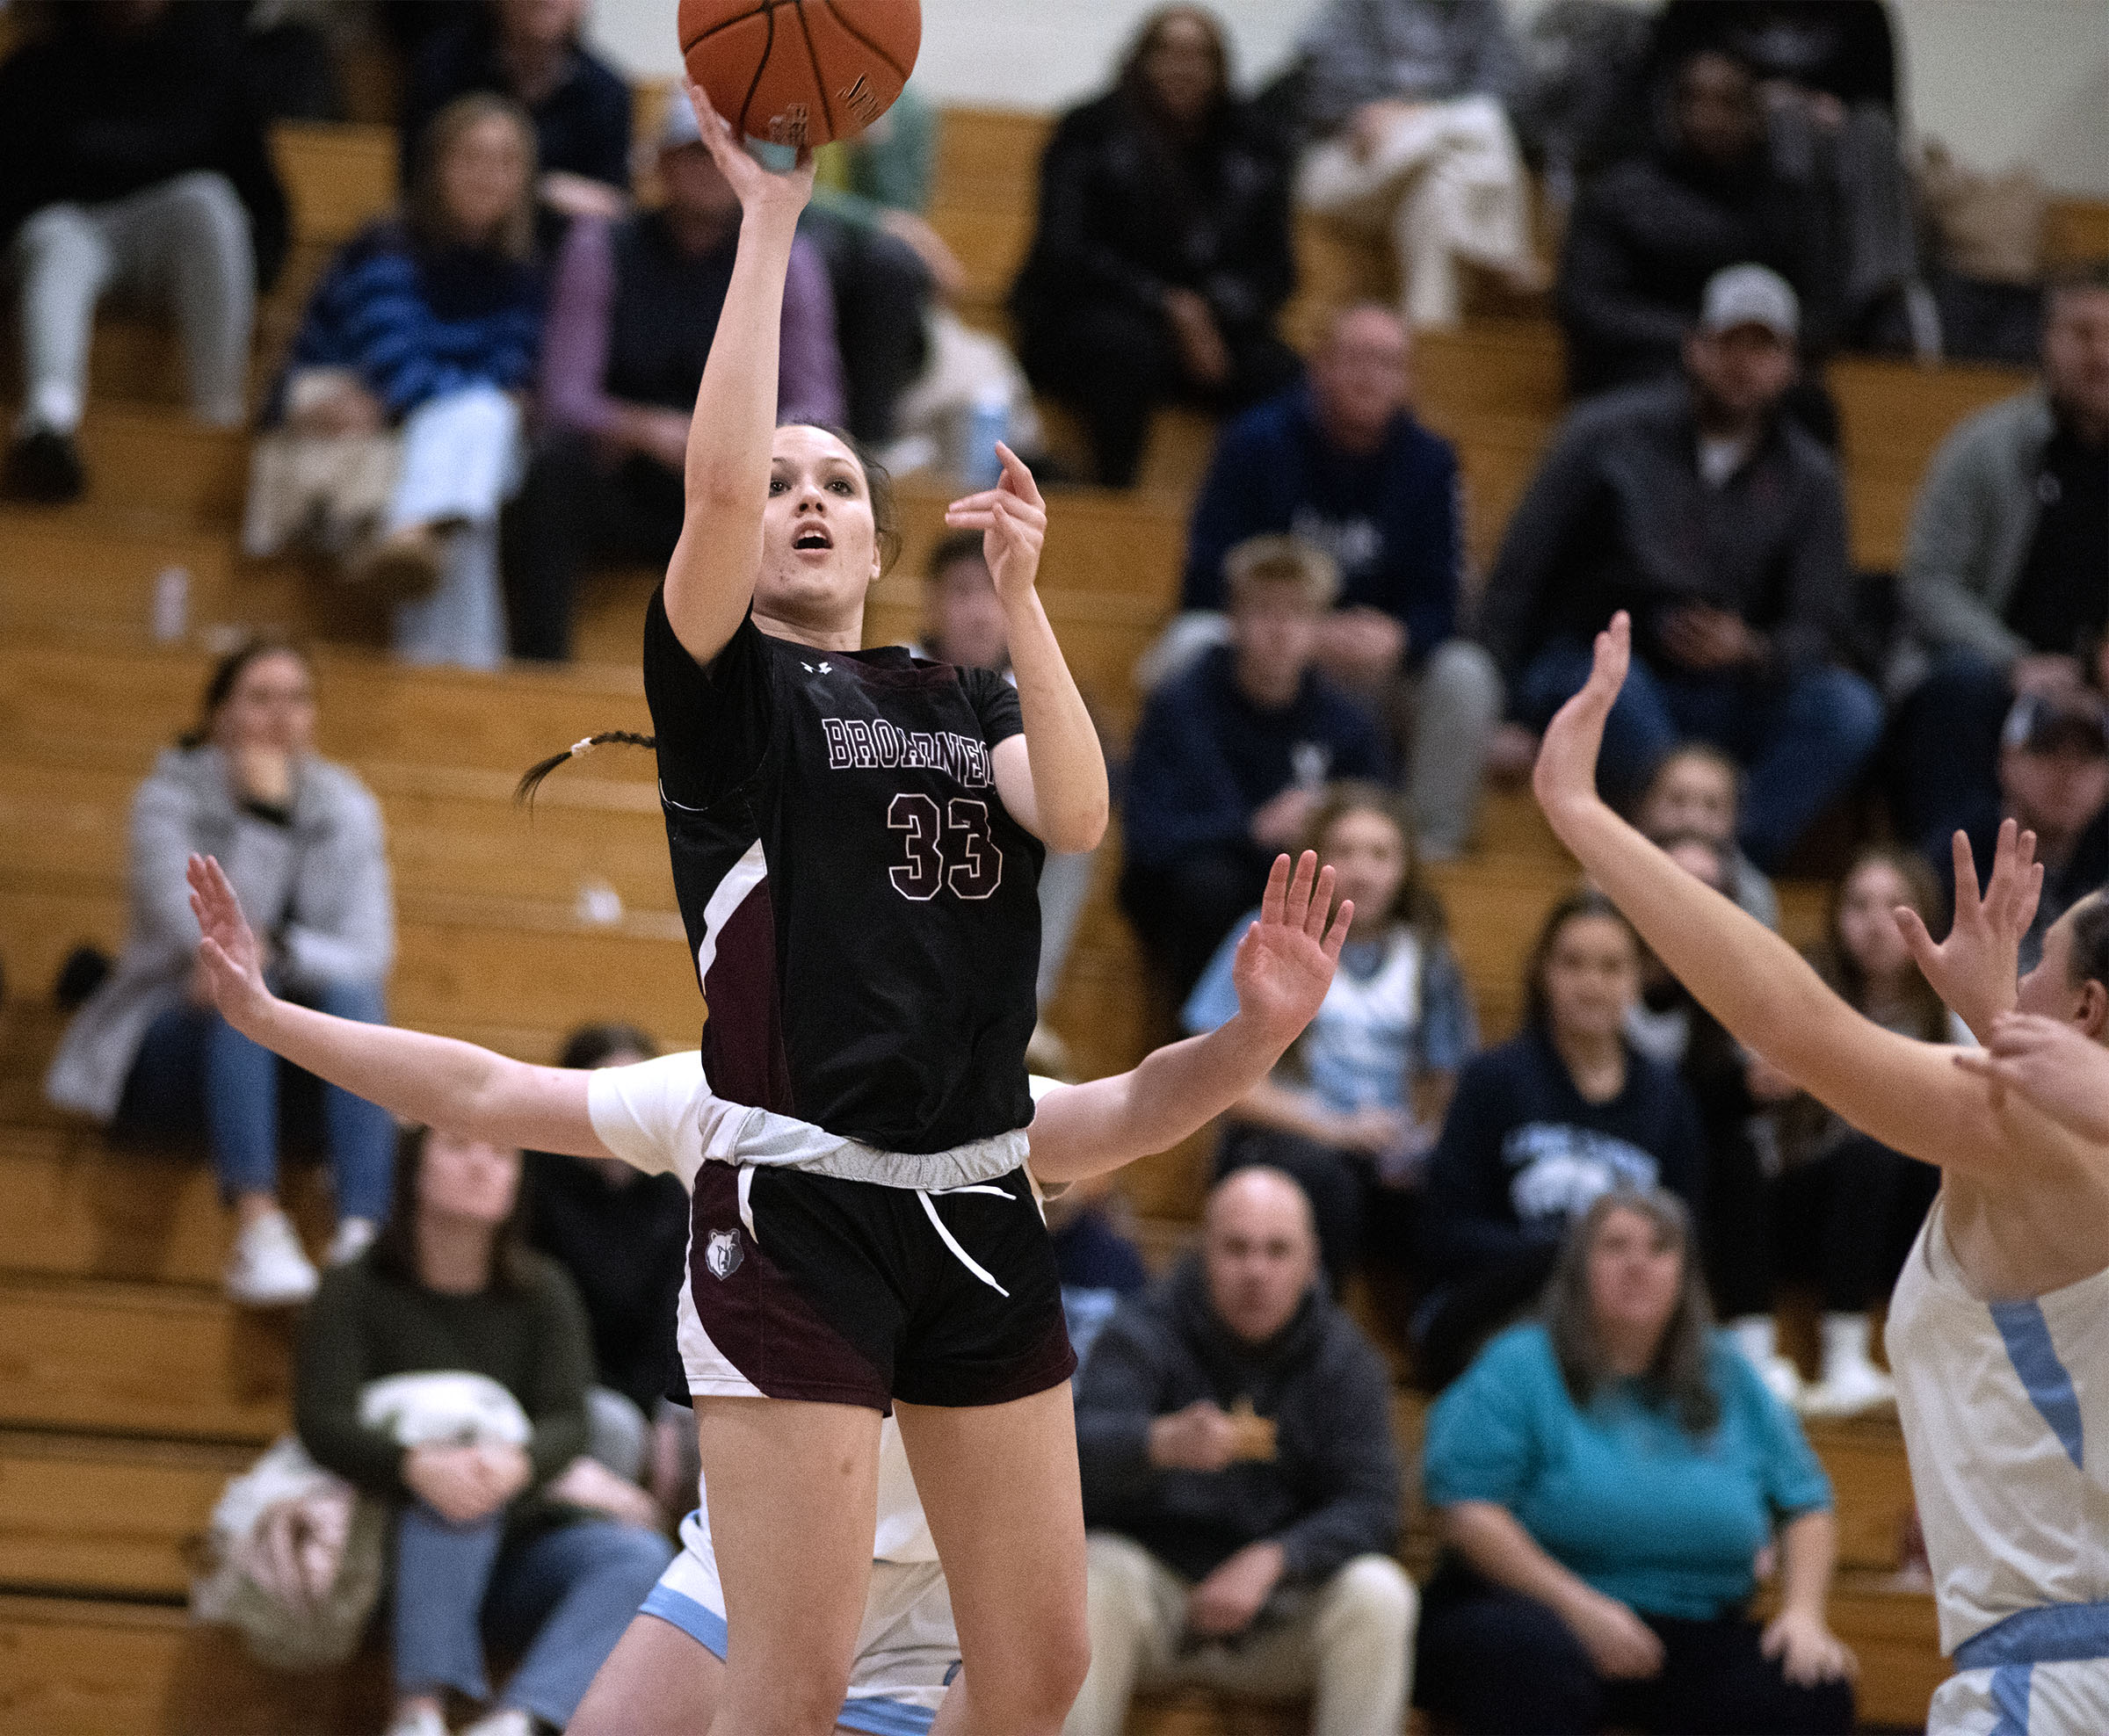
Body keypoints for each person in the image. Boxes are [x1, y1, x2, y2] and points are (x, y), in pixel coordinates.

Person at [184, 843, 1357, 1736]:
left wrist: (1257, 1036)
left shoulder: (985, 1118)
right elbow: (485, 1091)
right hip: (754, 1568)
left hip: (932, 1617)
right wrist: (271, 1018)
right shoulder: (719, 1097)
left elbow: (1147, 1105)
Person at [511, 78, 1111, 1734]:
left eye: (837, 479)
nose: (806, 496)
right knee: (782, 1695)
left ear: (877, 535)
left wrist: (1027, 605)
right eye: (783, 481)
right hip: (804, 1211)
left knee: (1045, 1665)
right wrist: (772, 222)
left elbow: (1075, 810)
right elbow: (708, 503)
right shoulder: (732, 702)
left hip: (979, 1191)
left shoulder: (961, 689)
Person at [1533, 608, 2109, 1734]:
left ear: (2088, 1009)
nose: (2018, 966)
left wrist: (1585, 817)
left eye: (2043, 960)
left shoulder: (2030, 1137)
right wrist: (1994, 1016)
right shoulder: (2053, 1147)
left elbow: (1787, 1021)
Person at [1482, 263, 1881, 872]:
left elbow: (1822, 623)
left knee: (1847, 710)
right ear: (1695, 348)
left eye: (1763, 347)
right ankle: (1662, 860)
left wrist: (1751, 649)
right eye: (1728, 343)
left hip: (1735, 689)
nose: (1742, 363)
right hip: (1606, 668)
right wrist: (1505, 711)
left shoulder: (1811, 477)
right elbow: (1518, 577)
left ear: (1790, 364)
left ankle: (1725, 864)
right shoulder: (1602, 436)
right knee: (1611, 689)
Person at [1416, 1189, 1856, 1735]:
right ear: (1578, 1268)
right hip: (1534, 1612)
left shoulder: (1729, 1372)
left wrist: (1804, 1613)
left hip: (1693, 1627)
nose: (1638, 1264)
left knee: (1811, 1688)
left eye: (1659, 1248)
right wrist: (1580, 1611)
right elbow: (1465, 1508)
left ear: (1685, 1272)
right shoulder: (1520, 1362)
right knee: (1527, 1661)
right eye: (1615, 1246)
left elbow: (1806, 1502)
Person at [45, 640, 394, 1308]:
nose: (280, 717)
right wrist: (264, 816)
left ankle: (360, 1233)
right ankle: (257, 1225)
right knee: (239, 994)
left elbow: (369, 951)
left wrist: (284, 953)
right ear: (218, 716)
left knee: (348, 993)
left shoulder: (346, 803)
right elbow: (211, 941)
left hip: (294, 1058)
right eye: (260, 698)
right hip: (163, 1046)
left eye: (297, 699)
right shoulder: (166, 801)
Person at [296, 1124, 676, 1736]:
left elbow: (568, 1420)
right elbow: (322, 1421)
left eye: (500, 1156)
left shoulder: (543, 1289)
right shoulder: (355, 1286)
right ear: (413, 1170)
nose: (482, 1167)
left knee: (640, 1556)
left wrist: (516, 1466)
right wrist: (414, 1467)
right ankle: (416, 1712)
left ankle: (517, 1721)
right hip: (383, 1552)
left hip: (514, 1548)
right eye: (458, 1148)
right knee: (454, 1491)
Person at [1067, 1166, 1414, 1736]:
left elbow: (1374, 1507)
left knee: (1381, 1593)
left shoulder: (1347, 1361)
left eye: (1278, 1252)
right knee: (1091, 1569)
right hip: (1151, 1603)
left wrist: (1276, 1559)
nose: (1256, 1271)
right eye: (1236, 1249)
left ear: (1312, 1262)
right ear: (1204, 1253)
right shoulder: (1141, 1332)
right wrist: (1157, 1444)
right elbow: (1065, 1467)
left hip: (1278, 1615)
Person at [505, 97, 843, 662]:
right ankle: (541, 670)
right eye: (692, 155)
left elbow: (819, 405)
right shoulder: (602, 245)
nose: (708, 169)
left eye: (720, 155)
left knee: (828, 498)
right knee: (549, 474)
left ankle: (802, 684)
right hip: (628, 475)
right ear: (659, 165)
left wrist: (733, 445)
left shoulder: (790, 258)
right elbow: (564, 397)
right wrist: (646, 429)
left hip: (744, 490)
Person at [1170, 303, 1503, 858]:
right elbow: (1205, 579)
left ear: (1408, 380)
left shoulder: (1431, 463)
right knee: (1187, 645)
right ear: (1318, 366)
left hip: (1378, 666)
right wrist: (1307, 632)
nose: (1371, 377)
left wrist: (1401, 638)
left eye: (1389, 363)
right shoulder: (1255, 442)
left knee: (1466, 676)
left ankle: (1422, 856)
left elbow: (1444, 603)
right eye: (1356, 359)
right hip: (1265, 645)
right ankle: (1209, 826)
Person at [253, 93, 546, 669]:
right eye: (471, 158)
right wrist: (450, 399)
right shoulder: (383, 248)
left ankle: (415, 529)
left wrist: (422, 403)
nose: (488, 175)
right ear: (435, 167)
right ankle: (465, 680)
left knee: (482, 432)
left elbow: (513, 371)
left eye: (506, 161)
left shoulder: (523, 270)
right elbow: (397, 366)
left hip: (422, 440)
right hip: (350, 448)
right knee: (472, 482)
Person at [1184, 781, 1476, 1285]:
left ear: (1406, 867)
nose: (1363, 871)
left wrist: (1419, 1143)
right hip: (1284, 1141)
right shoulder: (1264, 936)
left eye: (1381, 854)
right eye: (1346, 852)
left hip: (1385, 1152)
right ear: (1313, 860)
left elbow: (1447, 1085)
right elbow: (1215, 1079)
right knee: (1324, 1178)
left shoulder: (1428, 956)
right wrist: (1338, 1130)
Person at [0, 0, 288, 502]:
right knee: (55, 239)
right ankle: (49, 422)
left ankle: (217, 418)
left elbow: (260, 195)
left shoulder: (216, 66)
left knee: (209, 201)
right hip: (68, 231)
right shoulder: (36, 69)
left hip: (171, 236)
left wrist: (260, 270)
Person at [1417, 893, 1706, 1390]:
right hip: (1498, 1307)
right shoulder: (1492, 1080)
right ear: (1543, 972)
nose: (1591, 984)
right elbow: (1445, 1230)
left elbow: (1681, 1238)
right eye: (1573, 964)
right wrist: (1567, 1255)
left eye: (1612, 967)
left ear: (1638, 979)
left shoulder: (1668, 1099)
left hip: (1619, 1316)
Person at [1011, 5, 1301, 487]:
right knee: (1123, 349)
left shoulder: (1255, 145)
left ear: (1221, 67)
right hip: (1095, 318)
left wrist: (1212, 311)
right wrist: (1170, 307)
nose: (1184, 67)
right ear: (1141, 59)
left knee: (1285, 377)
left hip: (1214, 329)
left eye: (1199, 55)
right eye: (1169, 52)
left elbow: (1277, 270)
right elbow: (1064, 254)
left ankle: (1256, 512)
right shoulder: (1088, 131)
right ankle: (1113, 498)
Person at [1895, 266, 2109, 877]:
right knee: (1958, 688)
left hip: (2096, 684)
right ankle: (1945, 890)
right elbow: (1928, 582)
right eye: (2082, 333)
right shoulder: (1983, 447)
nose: (2100, 354)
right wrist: (2012, 660)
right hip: (1993, 672)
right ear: (2047, 340)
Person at [1121, 536, 1388, 1001]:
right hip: (1191, 889)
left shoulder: (1348, 721)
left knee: (1357, 884)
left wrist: (1328, 826)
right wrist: (1251, 829)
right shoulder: (1180, 706)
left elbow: (1383, 814)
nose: (1281, 630)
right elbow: (1149, 834)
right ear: (1233, 619)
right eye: (1265, 611)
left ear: (1319, 626)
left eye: (1298, 614)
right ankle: (1195, 1040)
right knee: (1207, 887)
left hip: (1303, 881)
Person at [1760, 849, 1953, 1416]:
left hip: (1910, 1223)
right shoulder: (1798, 1002)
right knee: (1867, 1155)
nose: (1875, 923)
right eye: (1858, 904)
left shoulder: (1949, 1017)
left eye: (1896, 906)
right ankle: (1842, 1353)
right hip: (1807, 1214)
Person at [1557, 47, 1840, 402]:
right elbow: (1587, 307)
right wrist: (1699, 344)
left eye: (1727, 103)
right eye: (1690, 100)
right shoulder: (1618, 196)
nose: (1705, 117)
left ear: (1757, 116)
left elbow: (1821, 313)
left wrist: (1750, 351)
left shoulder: (1789, 203)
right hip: (1643, 377)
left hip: (1761, 388)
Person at [915, 531, 1105, 1009]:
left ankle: (1023, 1007)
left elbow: (1099, 790)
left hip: (1004, 842)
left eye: (994, 593)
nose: (980, 613)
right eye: (962, 592)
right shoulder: (890, 672)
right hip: (921, 835)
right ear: (932, 603)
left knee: (1074, 835)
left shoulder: (1042, 684)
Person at [1293, 0, 1541, 330]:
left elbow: (1510, 89)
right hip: (1345, 162)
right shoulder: (1352, 7)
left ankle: (1428, 345)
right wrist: (1361, 111)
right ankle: (1503, 253)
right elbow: (1321, 80)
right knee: (1481, 120)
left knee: (1436, 198)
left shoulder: (1481, 11)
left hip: (1436, 159)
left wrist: (1414, 113)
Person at [519, 1024, 691, 1498]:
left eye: (638, 1104)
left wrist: (660, 1409)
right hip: (563, 1383)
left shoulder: (674, 1191)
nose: (627, 1123)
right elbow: (549, 1328)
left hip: (648, 1384)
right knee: (613, 1427)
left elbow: (673, 1321)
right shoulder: (532, 1187)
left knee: (704, 1420)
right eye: (612, 1103)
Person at [400, 0, 632, 224]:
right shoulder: (444, 66)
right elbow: (419, 180)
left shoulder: (607, 89)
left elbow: (612, 204)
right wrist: (543, 189)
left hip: (557, 248)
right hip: (453, 242)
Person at [1632, 742, 1779, 928]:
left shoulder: (1753, 892)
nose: (1693, 820)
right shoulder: (1608, 870)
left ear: (1735, 818)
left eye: (1712, 806)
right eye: (1677, 801)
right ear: (1644, 806)